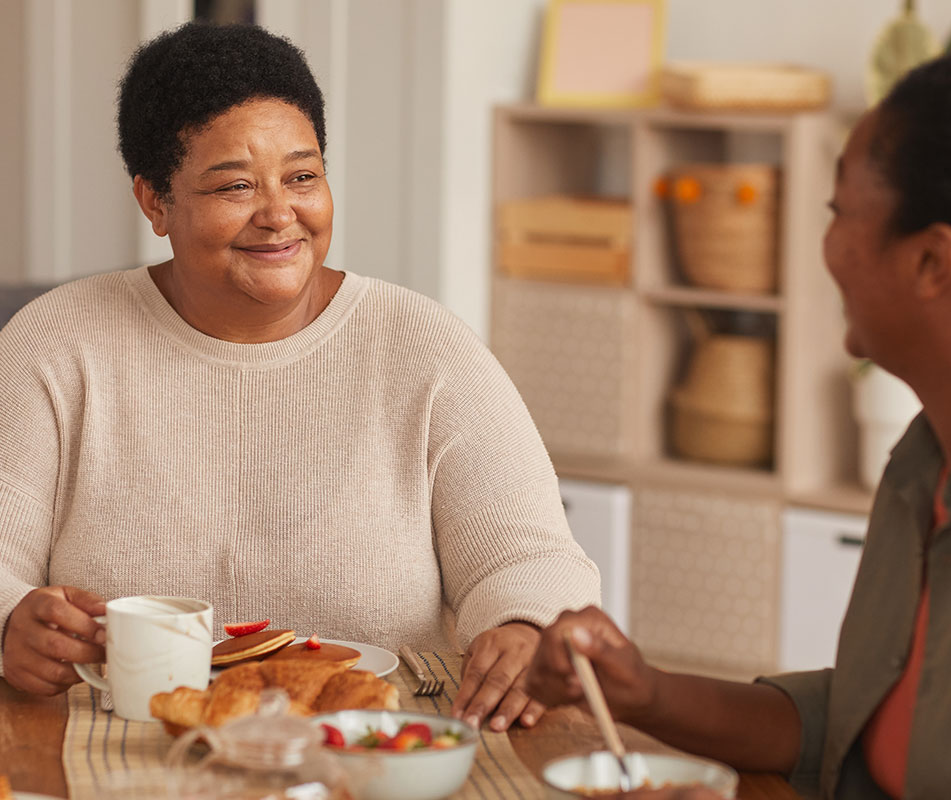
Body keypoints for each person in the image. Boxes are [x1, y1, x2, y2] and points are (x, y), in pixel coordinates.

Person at [0, 21, 600, 733]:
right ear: (155, 201)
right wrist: (10, 622)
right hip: (123, 753)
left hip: (377, 750)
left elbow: (532, 555)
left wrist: (523, 624)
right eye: (235, 186)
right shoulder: (55, 341)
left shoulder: (423, 345)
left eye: (303, 176)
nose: (280, 215)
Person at [527, 42, 951, 799]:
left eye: (840, 212)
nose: (826, 247)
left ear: (932, 262)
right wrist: (643, 692)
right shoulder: (925, 463)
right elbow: (850, 726)